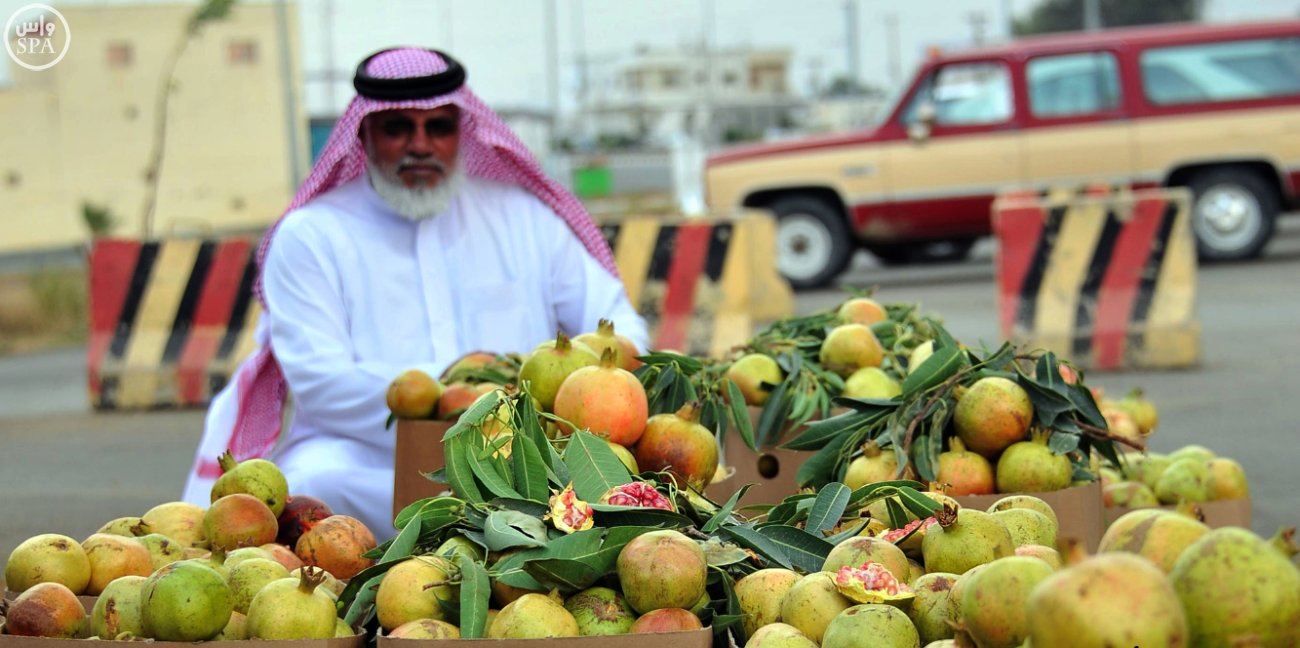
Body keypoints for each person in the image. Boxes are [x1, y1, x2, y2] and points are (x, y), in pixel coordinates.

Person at [181, 48, 649, 537]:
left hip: (521, 457)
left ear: (462, 131)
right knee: (313, 484)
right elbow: (320, 381)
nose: (420, 144)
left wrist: (571, 397)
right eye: (398, 127)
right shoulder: (312, 234)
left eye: (438, 127)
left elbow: (618, 327)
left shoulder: (525, 219)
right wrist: (452, 402)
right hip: (368, 459)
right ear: (363, 134)